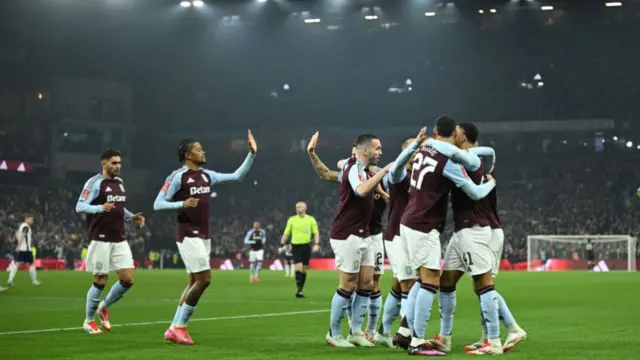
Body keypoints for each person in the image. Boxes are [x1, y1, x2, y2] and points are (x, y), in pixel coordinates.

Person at [392, 118, 495, 356]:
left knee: (422, 279)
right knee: (430, 282)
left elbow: (398, 167)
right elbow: (475, 192)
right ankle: (417, 341)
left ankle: (405, 332)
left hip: (408, 221)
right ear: (455, 136)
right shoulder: (449, 161)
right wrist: (491, 184)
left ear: (436, 131)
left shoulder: (423, 148)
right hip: (424, 224)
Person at [425, 123, 525, 355]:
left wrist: (428, 143)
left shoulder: (472, 161)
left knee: (483, 285)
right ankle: (446, 337)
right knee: (447, 281)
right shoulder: (478, 159)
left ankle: (495, 339)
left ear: (460, 135)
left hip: (477, 228)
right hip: (464, 229)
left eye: (454, 133)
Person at [154, 132, 257, 345]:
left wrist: (251, 155)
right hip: (187, 233)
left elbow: (237, 176)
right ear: (188, 154)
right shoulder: (177, 177)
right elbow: (158, 203)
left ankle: (173, 327)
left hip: (203, 234)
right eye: (199, 149)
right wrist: (181, 204)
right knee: (204, 280)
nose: (203, 151)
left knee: (193, 281)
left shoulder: (207, 175)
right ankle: (181, 327)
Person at [306, 133, 390, 345]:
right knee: (348, 285)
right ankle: (333, 334)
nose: (380, 152)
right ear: (365, 150)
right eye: (377, 148)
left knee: (367, 283)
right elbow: (361, 190)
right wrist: (384, 173)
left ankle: (355, 332)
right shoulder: (353, 168)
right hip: (347, 233)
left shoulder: (358, 168)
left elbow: (331, 170)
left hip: (364, 233)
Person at [75, 148, 145, 335]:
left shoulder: (120, 183)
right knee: (100, 280)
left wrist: (132, 217)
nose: (118, 166)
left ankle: (104, 307)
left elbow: (119, 207)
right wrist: (99, 207)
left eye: (119, 163)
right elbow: (79, 206)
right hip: (101, 238)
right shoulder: (95, 183)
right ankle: (88, 321)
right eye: (114, 163)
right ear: (104, 163)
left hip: (119, 237)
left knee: (128, 279)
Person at [279, 201, 320, 298]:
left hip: (306, 246)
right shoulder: (292, 220)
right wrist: (281, 245)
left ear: (304, 208)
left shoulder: (311, 220)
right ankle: (299, 290)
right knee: (298, 267)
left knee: (304, 269)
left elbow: (316, 233)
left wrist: (316, 244)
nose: (298, 209)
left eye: (300, 207)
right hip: (296, 246)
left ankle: (301, 288)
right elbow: (286, 233)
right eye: (297, 207)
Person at [6, 213, 41, 287]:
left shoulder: (22, 226)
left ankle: (10, 279)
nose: (32, 221)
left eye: (32, 219)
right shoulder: (26, 227)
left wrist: (17, 245)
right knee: (31, 264)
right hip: (26, 250)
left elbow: (17, 234)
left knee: (16, 264)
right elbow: (21, 236)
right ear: (26, 219)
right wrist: (18, 246)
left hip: (21, 249)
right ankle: (34, 281)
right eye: (31, 219)